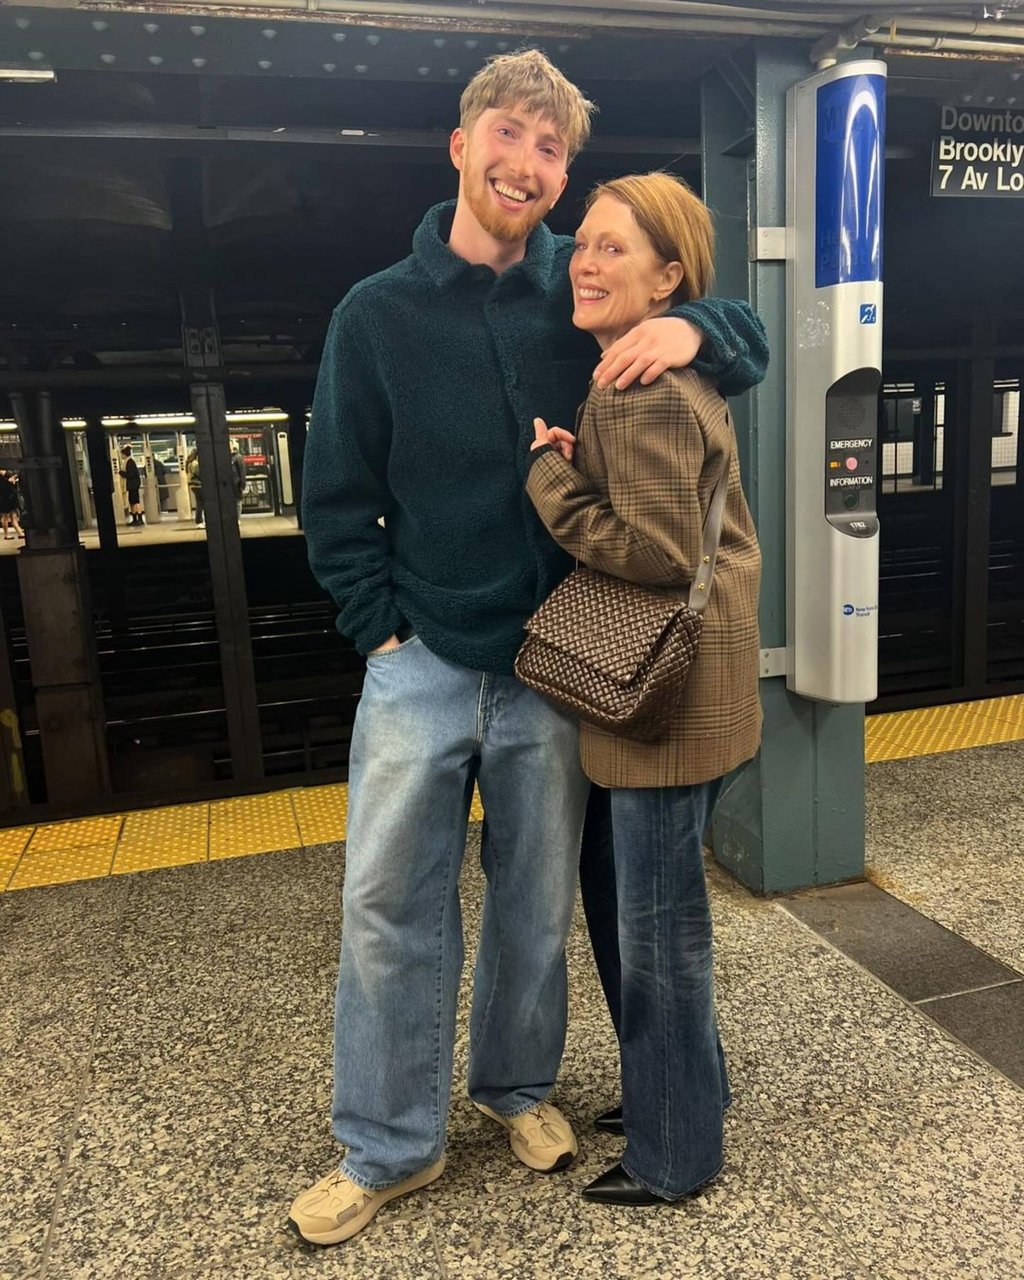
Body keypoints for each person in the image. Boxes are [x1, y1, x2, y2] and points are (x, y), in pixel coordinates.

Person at [293, 49, 767, 1248]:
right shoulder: (374, 313)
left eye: (553, 147)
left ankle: (514, 1089)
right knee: (384, 903)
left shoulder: (586, 285)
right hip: (425, 655)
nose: (529, 162)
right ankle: (386, 1144)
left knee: (533, 899)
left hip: (561, 663)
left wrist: (695, 328)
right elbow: (337, 492)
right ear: (460, 145)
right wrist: (377, 622)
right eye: (510, 133)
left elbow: (745, 334)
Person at [525, 171, 762, 1206]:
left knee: (660, 932)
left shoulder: (641, 387)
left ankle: (674, 1152)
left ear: (669, 278)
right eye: (581, 242)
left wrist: (550, 481)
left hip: (655, 700)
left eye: (613, 247)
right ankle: (684, 1088)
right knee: (655, 912)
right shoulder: (668, 376)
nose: (584, 259)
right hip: (699, 688)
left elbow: (658, 555)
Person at [119, 445, 144, 526]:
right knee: (132, 502)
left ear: (124, 454)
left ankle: (139, 519)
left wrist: (121, 473)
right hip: (132, 485)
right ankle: (135, 519)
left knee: (135, 502)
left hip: (133, 485)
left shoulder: (129, 462)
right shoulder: (129, 461)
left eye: (122, 454)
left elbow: (130, 475)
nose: (121, 456)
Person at [0, 467, 23, 540]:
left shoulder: (7, 472)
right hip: (3, 496)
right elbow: (5, 473)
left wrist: (13, 477)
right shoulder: (3, 474)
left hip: (10, 494)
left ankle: (19, 532)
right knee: (6, 516)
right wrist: (12, 476)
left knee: (14, 515)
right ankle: (6, 534)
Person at [185, 447, 204, 527]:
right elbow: (199, 474)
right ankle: (199, 521)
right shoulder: (195, 463)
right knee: (200, 504)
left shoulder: (189, 462)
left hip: (193, 485)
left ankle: (200, 521)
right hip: (198, 485)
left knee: (200, 503)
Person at [230, 443, 248, 518]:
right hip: (232, 483)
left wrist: (242, 484)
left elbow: (242, 471)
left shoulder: (238, 457)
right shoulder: (231, 457)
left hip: (236, 483)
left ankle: (237, 518)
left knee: (237, 501)